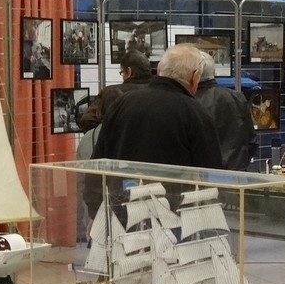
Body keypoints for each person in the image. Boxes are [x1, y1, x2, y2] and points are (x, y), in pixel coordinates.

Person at [83, 44, 224, 216]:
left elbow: (98, 161)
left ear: (158, 70)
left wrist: (94, 211)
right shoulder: (196, 113)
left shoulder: (122, 103)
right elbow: (210, 173)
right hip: (174, 213)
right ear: (195, 77)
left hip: (121, 208)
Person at [194, 51, 258, 171]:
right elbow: (252, 141)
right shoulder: (237, 97)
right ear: (213, 71)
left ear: (193, 75)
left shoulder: (191, 103)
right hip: (236, 174)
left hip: (204, 175)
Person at [78, 50, 153, 132]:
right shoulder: (159, 92)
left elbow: (86, 121)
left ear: (129, 72)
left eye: (122, 72)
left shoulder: (110, 92)